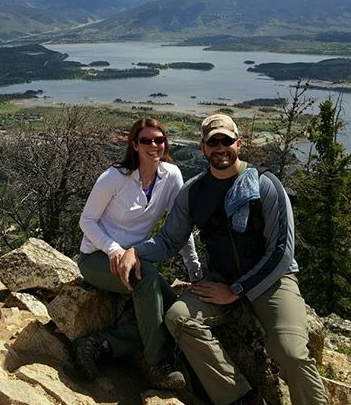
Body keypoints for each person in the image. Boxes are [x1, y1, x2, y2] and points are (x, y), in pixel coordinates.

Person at [118, 113, 329, 405]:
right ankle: (237, 398)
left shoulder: (266, 185)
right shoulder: (194, 192)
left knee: (290, 351)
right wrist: (135, 251)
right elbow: (169, 240)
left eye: (226, 141)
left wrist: (237, 290)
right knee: (179, 318)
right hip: (221, 278)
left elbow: (281, 251)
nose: (220, 148)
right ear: (203, 147)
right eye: (213, 141)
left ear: (238, 144)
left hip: (271, 281)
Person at [76, 117, 201, 391]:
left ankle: (103, 344)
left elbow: (180, 229)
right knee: (146, 278)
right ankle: (159, 365)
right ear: (134, 145)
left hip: (137, 259)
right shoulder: (114, 178)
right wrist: (114, 250)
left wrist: (195, 270)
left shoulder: (171, 177)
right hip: (96, 258)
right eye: (146, 140)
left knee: (173, 312)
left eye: (159, 140)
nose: (153, 145)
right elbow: (86, 221)